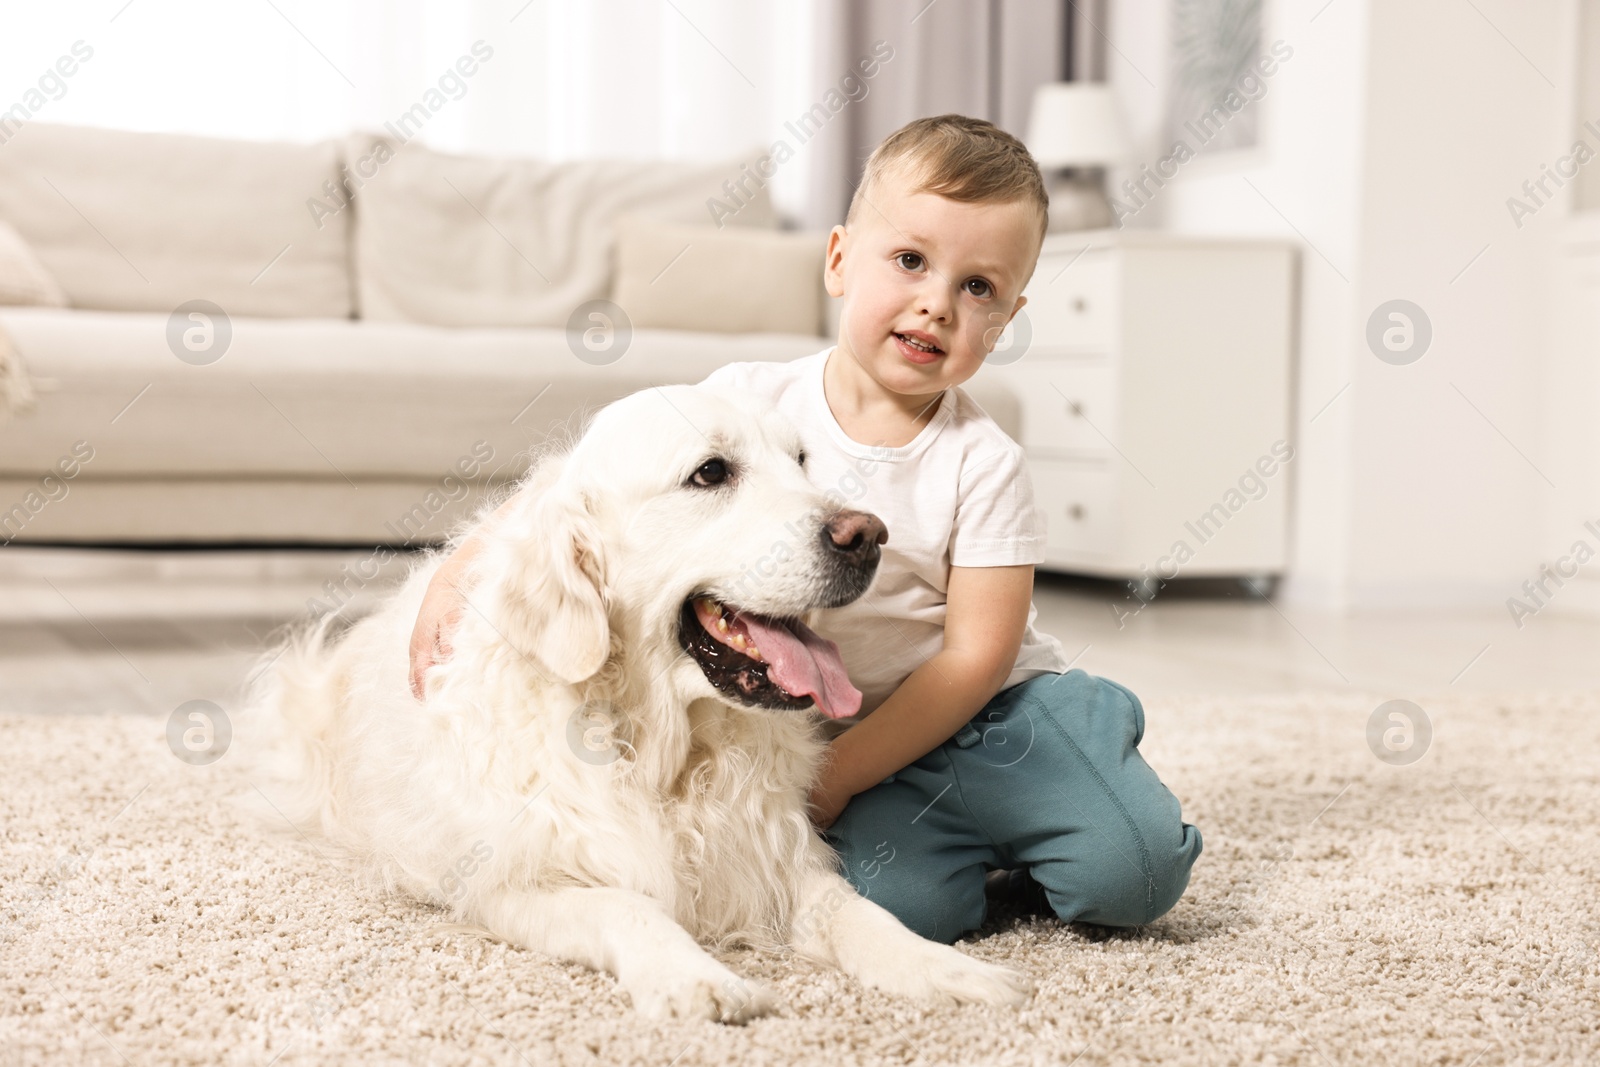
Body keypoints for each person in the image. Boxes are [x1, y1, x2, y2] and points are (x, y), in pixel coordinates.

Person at [407, 114, 1201, 945]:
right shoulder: (748, 399)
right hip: (860, 730)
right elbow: (587, 480)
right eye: (910, 261)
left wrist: (839, 778)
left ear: (1007, 317)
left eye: (979, 288)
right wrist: (460, 568)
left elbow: (975, 659)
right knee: (908, 911)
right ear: (836, 260)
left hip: (1001, 718)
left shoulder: (985, 460)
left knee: (1134, 874)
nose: (937, 302)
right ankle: (996, 848)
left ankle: (1089, 748)